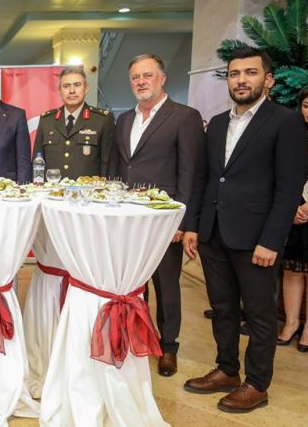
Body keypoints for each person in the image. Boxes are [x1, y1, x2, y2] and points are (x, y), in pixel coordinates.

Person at [182, 47, 308, 413]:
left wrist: (271, 240)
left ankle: (257, 384)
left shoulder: (285, 122)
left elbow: (289, 189)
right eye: (235, 73)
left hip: (257, 239)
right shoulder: (218, 123)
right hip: (214, 233)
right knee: (222, 308)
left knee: (258, 315)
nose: (241, 80)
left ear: (268, 79)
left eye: (250, 73)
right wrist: (193, 227)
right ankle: (226, 369)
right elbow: (206, 178)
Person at [107, 53, 204, 377]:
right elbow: (117, 168)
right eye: (135, 77)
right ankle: (139, 337)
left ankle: (168, 346)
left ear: (162, 78)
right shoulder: (124, 119)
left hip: (164, 221)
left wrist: (182, 221)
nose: (141, 82)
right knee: (133, 282)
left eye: (147, 75)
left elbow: (190, 173)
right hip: (127, 219)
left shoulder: (184, 117)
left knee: (166, 286)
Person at [276, 85, 308, 352]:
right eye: (307, 105)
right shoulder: (293, 137)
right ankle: (291, 323)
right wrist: (292, 208)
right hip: (291, 213)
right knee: (291, 270)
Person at [33, 66, 114, 178]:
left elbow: (108, 164)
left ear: (86, 88)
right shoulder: (46, 120)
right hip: (53, 188)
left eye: (77, 85)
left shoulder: (102, 120)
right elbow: (37, 163)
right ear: (59, 91)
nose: (72, 91)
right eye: (66, 86)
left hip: (88, 188)